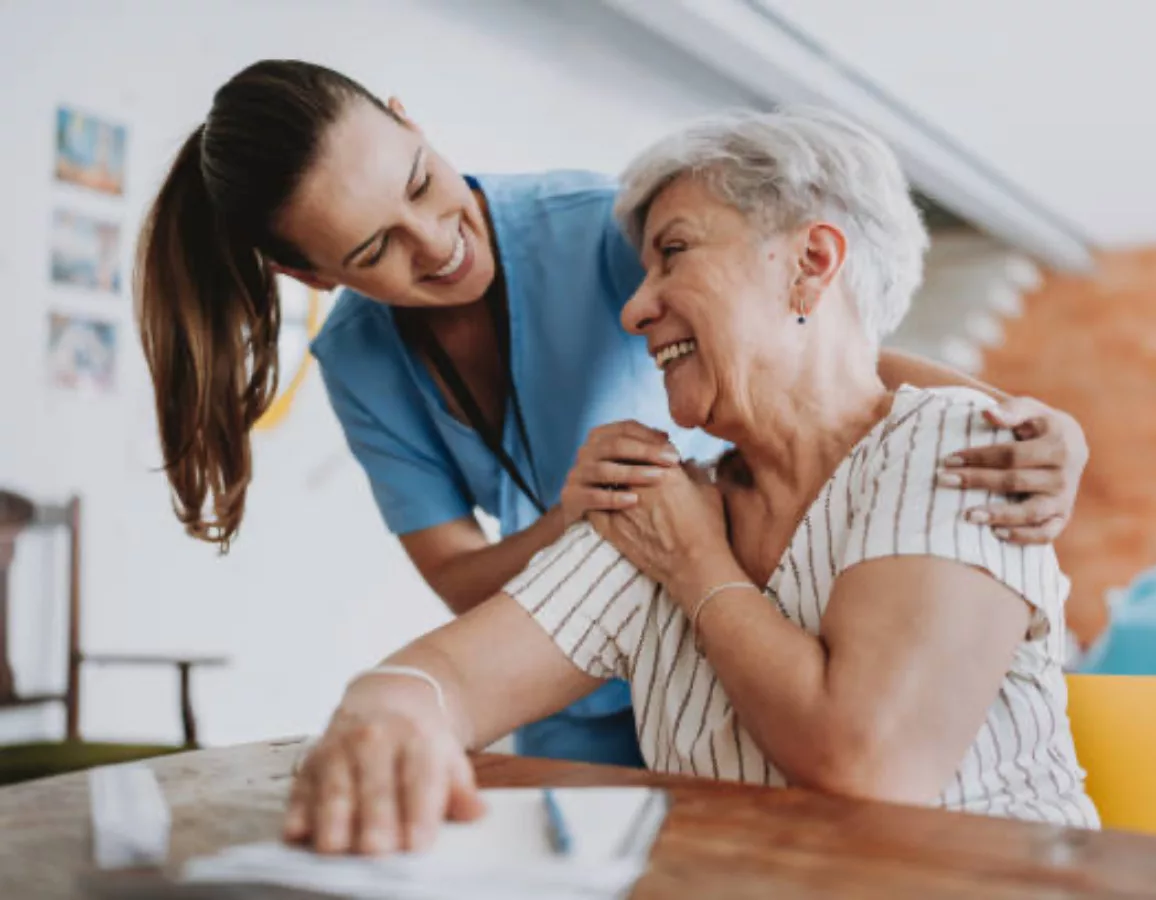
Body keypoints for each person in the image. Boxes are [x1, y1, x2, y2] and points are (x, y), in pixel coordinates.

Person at [134, 59, 1090, 770]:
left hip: (723, 657)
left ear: (408, 120)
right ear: (313, 276)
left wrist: (1010, 416)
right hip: (598, 667)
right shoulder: (362, 363)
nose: (436, 245)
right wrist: (574, 524)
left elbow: (803, 348)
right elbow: (461, 607)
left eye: (422, 182)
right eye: (377, 247)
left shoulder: (603, 227)